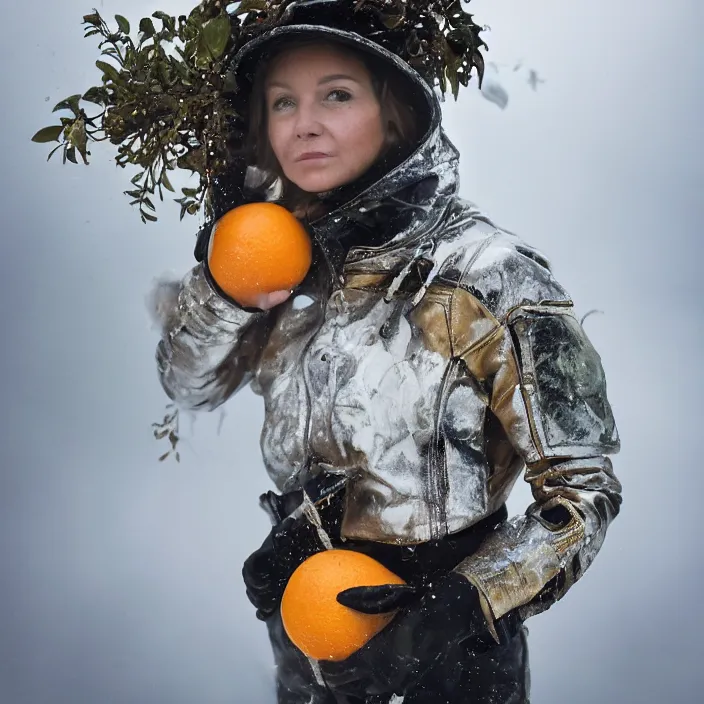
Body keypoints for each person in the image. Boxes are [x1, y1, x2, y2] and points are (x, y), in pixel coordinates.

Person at [153, 2, 622, 703]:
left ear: (396, 112)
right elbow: (186, 383)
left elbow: (584, 492)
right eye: (283, 102)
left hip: (451, 657)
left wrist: (463, 605)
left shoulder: (485, 273)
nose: (304, 123)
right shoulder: (276, 267)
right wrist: (223, 285)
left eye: (336, 94)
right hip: (308, 635)